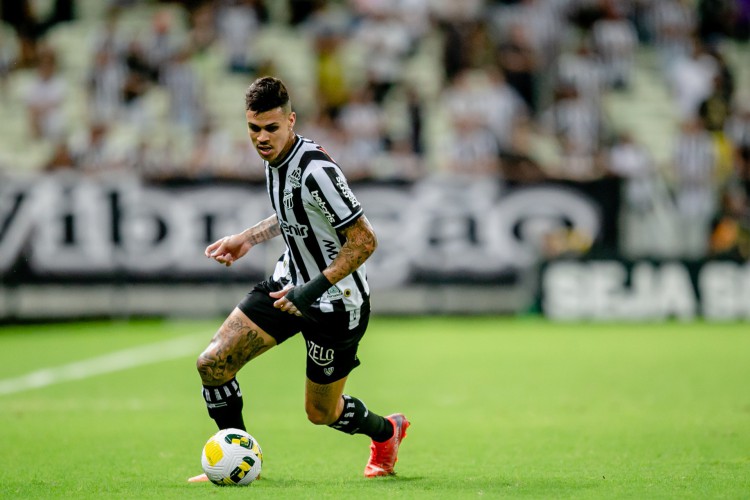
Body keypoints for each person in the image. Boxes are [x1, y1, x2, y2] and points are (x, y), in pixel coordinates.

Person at [188, 76, 409, 482]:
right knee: (213, 364)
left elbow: (364, 241)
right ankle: (236, 460)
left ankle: (388, 431)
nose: (262, 138)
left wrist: (311, 291)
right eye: (254, 129)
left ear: (291, 121)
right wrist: (247, 239)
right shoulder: (274, 162)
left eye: (271, 128)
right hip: (286, 285)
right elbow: (295, 213)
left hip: (334, 304)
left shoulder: (317, 170)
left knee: (321, 413)